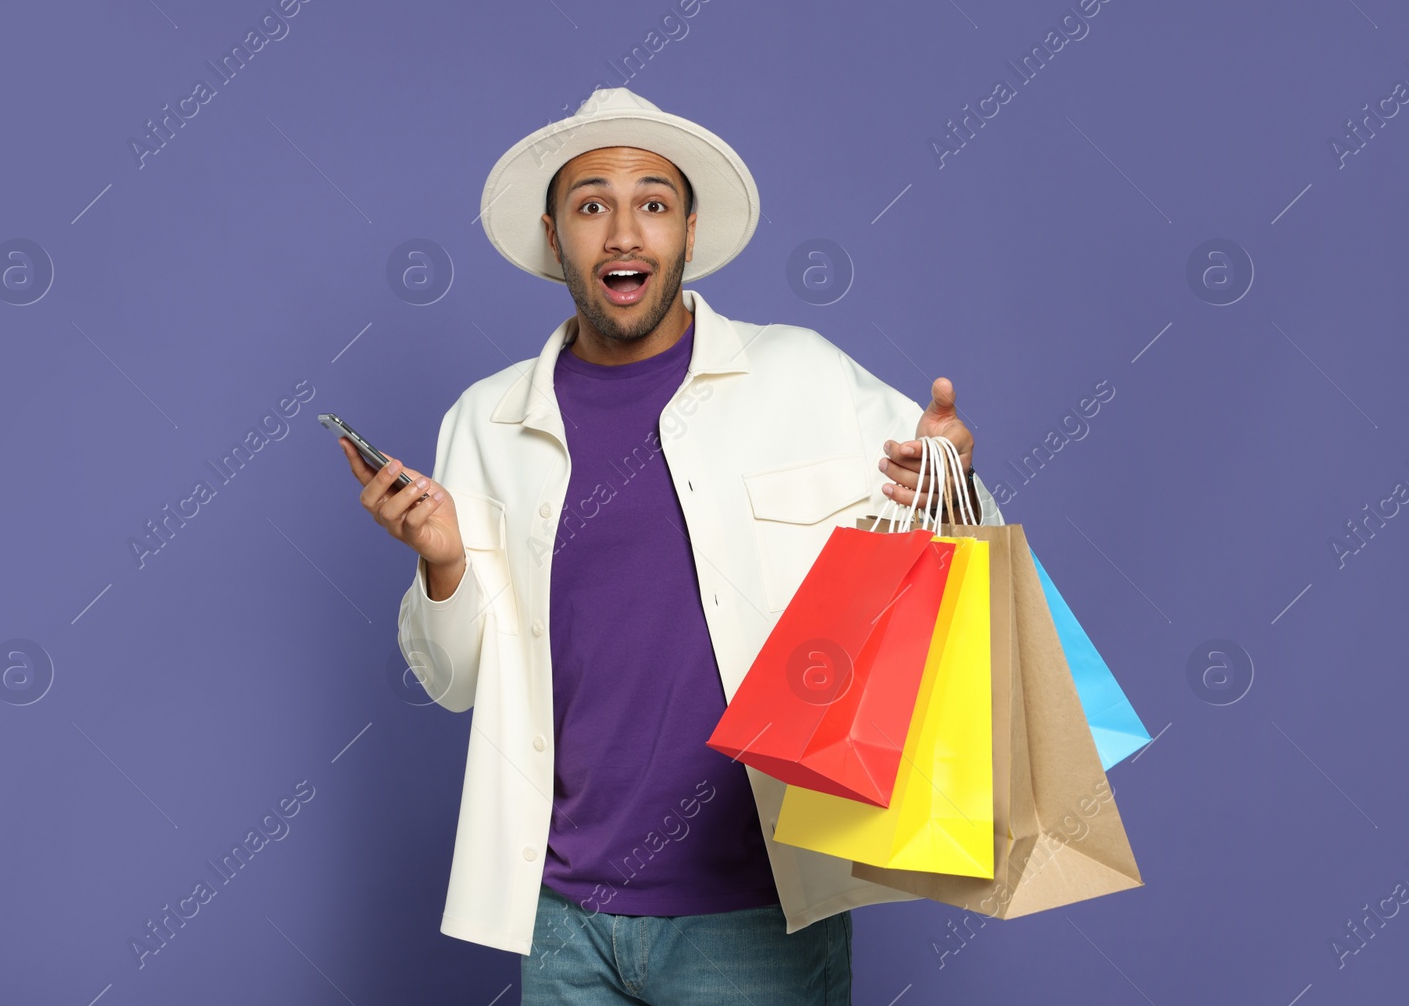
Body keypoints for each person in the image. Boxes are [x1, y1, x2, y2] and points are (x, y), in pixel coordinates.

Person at [341, 87, 1004, 1005]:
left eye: (652, 203)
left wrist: (950, 479)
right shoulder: (485, 423)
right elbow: (455, 683)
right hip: (560, 917)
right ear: (554, 235)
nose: (623, 233)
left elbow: (955, 566)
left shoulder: (801, 374)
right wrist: (443, 562)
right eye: (590, 205)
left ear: (688, 233)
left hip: (753, 912)